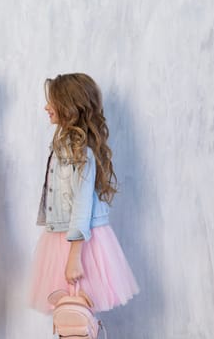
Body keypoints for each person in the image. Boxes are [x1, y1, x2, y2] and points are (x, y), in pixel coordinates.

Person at [30, 73, 139, 316]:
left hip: (79, 242)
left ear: (69, 106)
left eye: (52, 102)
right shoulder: (64, 145)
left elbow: (82, 204)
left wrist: (74, 257)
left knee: (76, 317)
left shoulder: (80, 152)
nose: (46, 107)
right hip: (63, 236)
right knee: (70, 316)